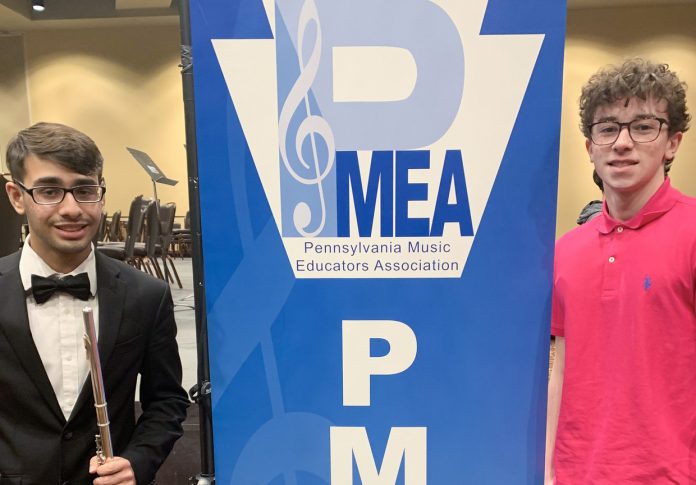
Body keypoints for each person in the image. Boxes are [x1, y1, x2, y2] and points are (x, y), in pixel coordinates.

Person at [0, 122, 189, 484]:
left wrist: (137, 461)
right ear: (16, 196)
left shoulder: (147, 295)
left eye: (85, 190)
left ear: (101, 194)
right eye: (50, 191)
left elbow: (167, 401)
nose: (72, 209)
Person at [545, 58, 693, 484]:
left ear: (672, 143)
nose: (622, 143)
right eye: (608, 129)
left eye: (643, 127)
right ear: (590, 147)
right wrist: (547, 471)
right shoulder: (565, 251)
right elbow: (560, 369)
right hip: (577, 474)